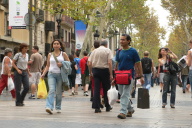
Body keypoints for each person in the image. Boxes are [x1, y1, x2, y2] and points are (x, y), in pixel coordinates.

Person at [112, 34, 144, 119]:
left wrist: (141, 76)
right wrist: (114, 76)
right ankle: (130, 109)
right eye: (121, 40)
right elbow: (117, 64)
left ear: (128, 41)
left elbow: (138, 63)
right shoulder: (118, 51)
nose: (121, 41)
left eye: (123, 40)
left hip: (129, 76)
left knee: (125, 94)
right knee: (122, 93)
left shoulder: (133, 51)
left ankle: (123, 112)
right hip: (119, 75)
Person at [41, 39, 70, 114]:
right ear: (52, 45)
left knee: (58, 92)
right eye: (54, 44)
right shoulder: (50, 54)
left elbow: (69, 63)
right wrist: (43, 74)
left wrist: (62, 63)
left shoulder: (63, 54)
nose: (56, 45)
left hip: (60, 75)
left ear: (60, 45)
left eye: (57, 44)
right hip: (51, 74)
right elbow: (47, 66)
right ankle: (49, 107)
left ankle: (58, 107)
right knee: (51, 89)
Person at [88, 39, 113, 113]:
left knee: (96, 89)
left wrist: (90, 72)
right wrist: (111, 74)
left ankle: (96, 107)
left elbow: (89, 63)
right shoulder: (108, 50)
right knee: (106, 89)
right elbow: (109, 63)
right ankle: (107, 106)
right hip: (105, 71)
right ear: (106, 44)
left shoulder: (94, 51)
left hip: (96, 71)